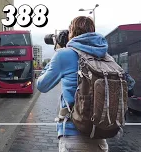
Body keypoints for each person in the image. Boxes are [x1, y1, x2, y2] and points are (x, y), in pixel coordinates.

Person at [37, 16, 109, 151]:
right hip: (100, 138)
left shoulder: (65, 54)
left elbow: (42, 85)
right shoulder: (105, 56)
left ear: (72, 32)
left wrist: (58, 51)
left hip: (74, 136)